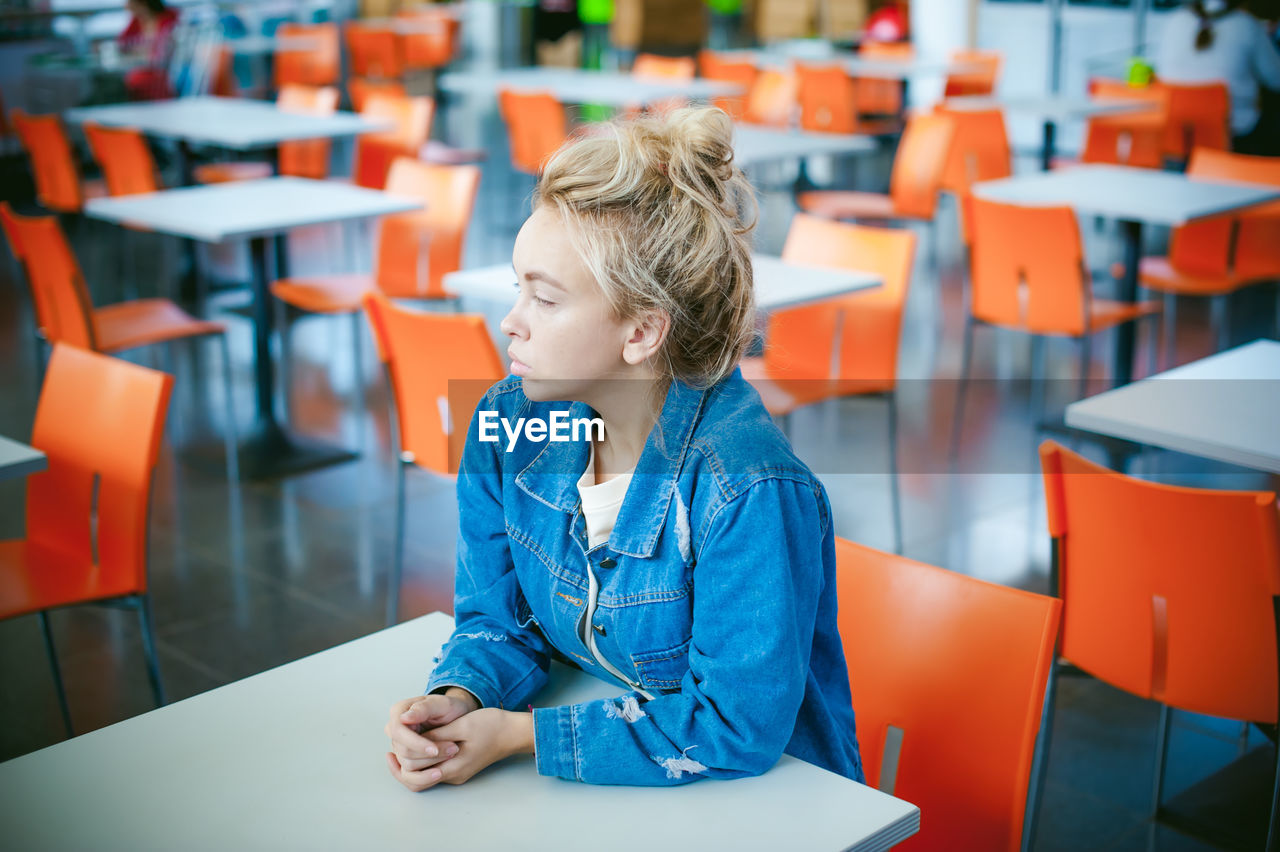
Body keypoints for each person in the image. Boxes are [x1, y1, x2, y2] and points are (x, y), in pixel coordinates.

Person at [384, 107, 865, 790]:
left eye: (545, 301)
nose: (510, 322)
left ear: (640, 333)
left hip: (775, 808)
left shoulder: (747, 488)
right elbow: (499, 619)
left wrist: (520, 737)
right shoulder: (509, 422)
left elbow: (736, 729)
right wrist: (457, 699)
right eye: (518, 288)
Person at [1155, 0, 1280, 154]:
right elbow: (1276, 79)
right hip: (1235, 134)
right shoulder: (1247, 25)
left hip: (1177, 133)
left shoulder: (1174, 21)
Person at [118, 0, 179, 101]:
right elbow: (122, 44)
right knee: (125, 82)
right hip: (145, 68)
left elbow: (163, 51)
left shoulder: (168, 18)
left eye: (129, 2)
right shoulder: (137, 20)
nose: (126, 6)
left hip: (165, 73)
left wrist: (139, 50)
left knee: (130, 82)